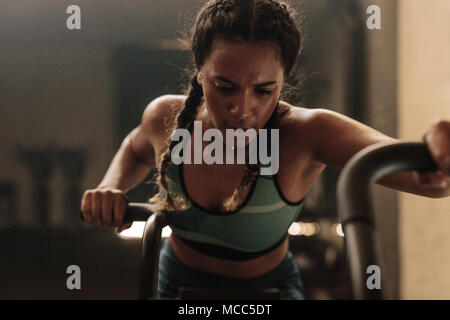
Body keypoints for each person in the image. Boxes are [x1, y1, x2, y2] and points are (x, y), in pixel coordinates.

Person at [80, 0, 450, 299]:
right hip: (177, 287)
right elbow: (136, 147)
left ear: (284, 80)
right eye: (224, 86)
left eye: (263, 90)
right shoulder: (167, 117)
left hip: (269, 291)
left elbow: (423, 177)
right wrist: (111, 186)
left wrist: (437, 154)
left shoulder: (307, 133)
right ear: (199, 70)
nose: (242, 109)